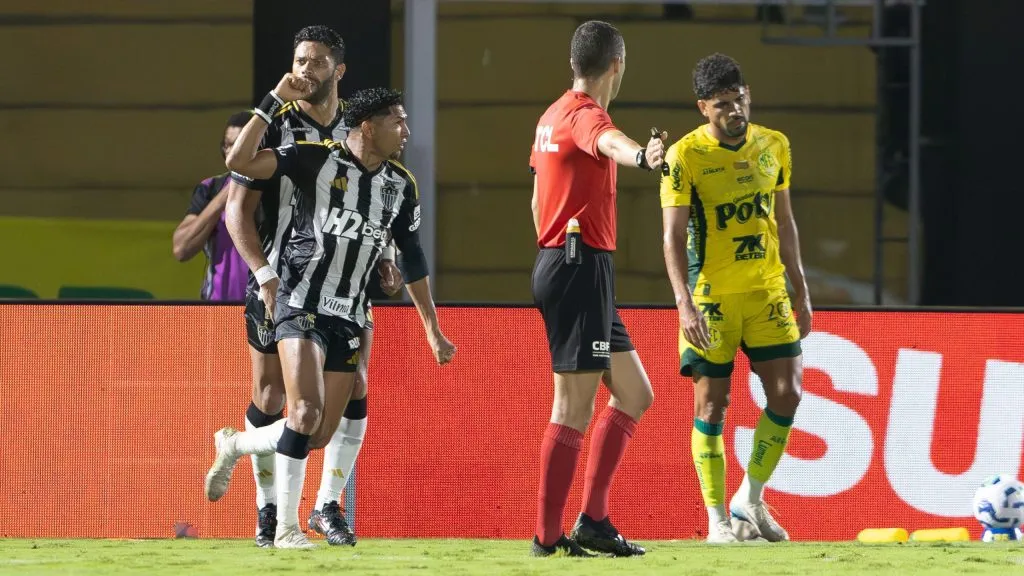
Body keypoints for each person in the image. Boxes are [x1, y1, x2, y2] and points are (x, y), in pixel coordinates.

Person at [208, 83, 455, 549]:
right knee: (302, 411)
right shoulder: (312, 158)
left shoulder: (400, 185)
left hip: (350, 311)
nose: (406, 130)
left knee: (318, 433)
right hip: (297, 299)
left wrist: (432, 328)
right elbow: (238, 163)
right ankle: (285, 529)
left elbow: (414, 257)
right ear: (368, 126)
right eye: (397, 121)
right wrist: (272, 100)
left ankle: (236, 445)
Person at [224, 25, 402, 548]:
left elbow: (382, 195)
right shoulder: (277, 127)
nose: (306, 70)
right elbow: (238, 210)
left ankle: (327, 507)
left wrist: (388, 256)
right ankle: (270, 513)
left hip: (348, 283)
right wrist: (264, 275)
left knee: (356, 384)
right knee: (273, 394)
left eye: (317, 62)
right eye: (300, 61)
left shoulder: (360, 127)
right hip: (284, 280)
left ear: (338, 70)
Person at [659, 53, 812, 544]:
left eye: (740, 99)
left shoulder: (776, 145)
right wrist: (684, 303)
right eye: (722, 104)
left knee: (788, 393)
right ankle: (716, 521)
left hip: (766, 291)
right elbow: (671, 238)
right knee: (712, 408)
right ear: (703, 107)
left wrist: (801, 291)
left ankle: (749, 498)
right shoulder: (683, 157)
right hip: (712, 298)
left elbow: (784, 222)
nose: (735, 110)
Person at [528, 20, 665, 558]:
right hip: (578, 264)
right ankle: (546, 536)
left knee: (635, 394)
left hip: (571, 263)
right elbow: (610, 143)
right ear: (618, 64)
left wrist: (551, 248)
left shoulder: (550, 115)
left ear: (573, 63)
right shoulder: (587, 115)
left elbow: (536, 199)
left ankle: (594, 520)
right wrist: (646, 157)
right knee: (572, 407)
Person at [171, 111, 253, 301]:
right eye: (228, 144)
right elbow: (181, 249)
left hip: (268, 313)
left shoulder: (280, 190)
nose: (233, 151)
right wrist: (223, 197)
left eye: (240, 144)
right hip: (218, 309)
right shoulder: (210, 188)